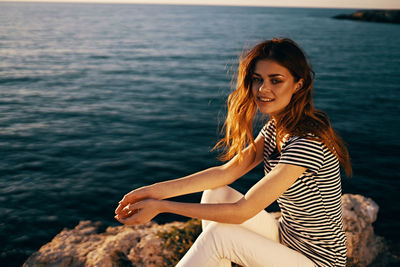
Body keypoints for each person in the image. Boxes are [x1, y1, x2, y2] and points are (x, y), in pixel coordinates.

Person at [114, 37, 352, 267]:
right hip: (287, 239)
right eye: (257, 79)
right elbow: (226, 172)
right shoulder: (276, 127)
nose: (262, 89)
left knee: (219, 237)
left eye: (275, 80)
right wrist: (153, 193)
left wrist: (162, 207)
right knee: (215, 193)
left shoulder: (306, 142)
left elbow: (243, 212)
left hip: (318, 262)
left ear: (298, 85)